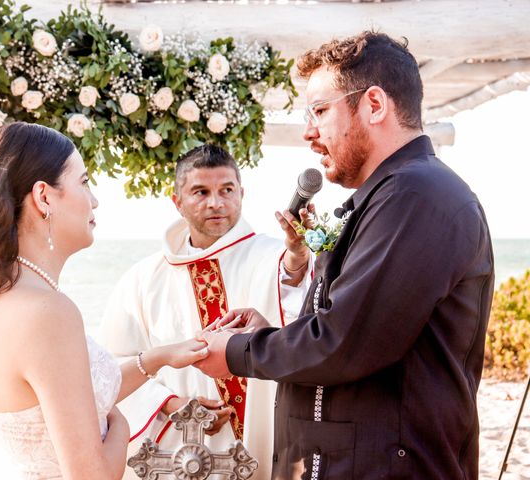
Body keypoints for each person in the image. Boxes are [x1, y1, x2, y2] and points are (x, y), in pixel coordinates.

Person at [195, 31, 495, 480]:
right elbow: (352, 326)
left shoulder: (416, 195)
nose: (308, 132)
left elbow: (344, 342)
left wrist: (239, 351)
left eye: (319, 111)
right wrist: (274, 332)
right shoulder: (390, 196)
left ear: (374, 105)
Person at [0, 122, 209, 480]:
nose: (95, 200)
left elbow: (63, 391)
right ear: (44, 197)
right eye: (84, 182)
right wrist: (115, 420)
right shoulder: (48, 313)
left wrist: (161, 357)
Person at [98, 144, 314, 479]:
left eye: (226, 190)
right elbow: (113, 366)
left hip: (265, 436)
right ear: (177, 201)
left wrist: (298, 258)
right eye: (201, 191)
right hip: (179, 446)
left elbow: (295, 293)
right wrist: (171, 403)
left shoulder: (271, 255)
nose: (216, 202)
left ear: (241, 193)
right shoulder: (142, 279)